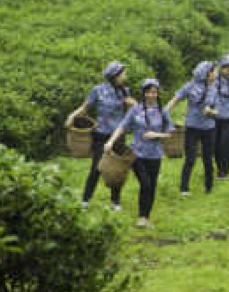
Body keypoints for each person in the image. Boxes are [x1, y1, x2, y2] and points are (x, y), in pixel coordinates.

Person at [66, 61, 135, 211]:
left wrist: (131, 105)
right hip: (101, 135)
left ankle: (115, 202)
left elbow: (131, 112)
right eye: (122, 73)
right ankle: (85, 200)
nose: (125, 76)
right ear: (114, 76)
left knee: (116, 168)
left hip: (117, 136)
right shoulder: (97, 90)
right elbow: (86, 107)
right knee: (97, 167)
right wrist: (72, 116)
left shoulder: (125, 91)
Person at [105, 78, 174, 228]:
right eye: (148, 92)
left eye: (154, 92)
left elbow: (171, 133)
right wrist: (110, 141)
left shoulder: (163, 111)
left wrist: (156, 135)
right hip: (137, 153)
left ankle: (146, 216)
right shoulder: (135, 110)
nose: (151, 95)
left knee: (152, 185)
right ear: (143, 93)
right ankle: (141, 217)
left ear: (157, 94)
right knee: (145, 183)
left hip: (155, 154)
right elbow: (122, 126)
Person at [166, 61, 218, 196]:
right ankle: (184, 188)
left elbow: (218, 109)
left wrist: (211, 112)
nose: (215, 74)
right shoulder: (190, 86)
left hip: (209, 128)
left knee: (208, 158)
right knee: (190, 158)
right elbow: (175, 100)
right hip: (192, 127)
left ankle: (209, 186)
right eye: (212, 72)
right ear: (205, 74)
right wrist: (163, 114)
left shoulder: (214, 87)